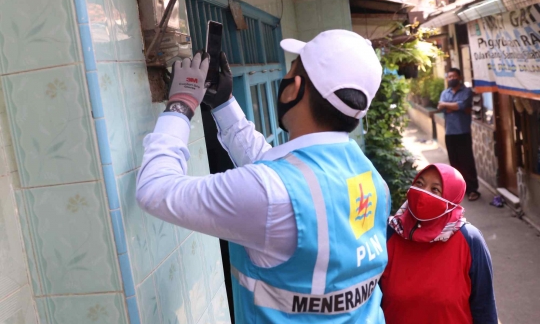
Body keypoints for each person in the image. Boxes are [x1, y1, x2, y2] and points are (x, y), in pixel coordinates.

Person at [136, 30, 391, 323]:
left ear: (292, 89)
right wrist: (224, 104)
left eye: (291, 68)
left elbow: (154, 190)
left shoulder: (273, 192)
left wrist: (180, 105)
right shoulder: (371, 180)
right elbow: (277, 178)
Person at [380, 163, 498, 324]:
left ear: (451, 199)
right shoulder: (390, 233)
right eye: (419, 184)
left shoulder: (470, 240)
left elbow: (484, 309)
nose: (423, 193)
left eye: (435, 189)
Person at [437, 68, 480, 201]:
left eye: (454, 76)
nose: (451, 79)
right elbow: (440, 107)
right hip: (450, 132)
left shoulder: (466, 92)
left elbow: (462, 106)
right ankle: (458, 191)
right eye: (449, 77)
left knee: (467, 161)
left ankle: (473, 190)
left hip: (463, 132)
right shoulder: (445, 92)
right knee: (454, 163)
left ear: (459, 78)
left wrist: (448, 106)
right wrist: (452, 106)